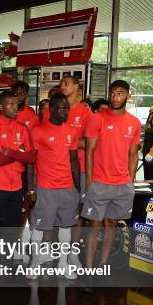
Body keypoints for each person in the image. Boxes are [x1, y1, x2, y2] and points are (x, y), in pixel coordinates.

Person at [82, 80, 141, 288]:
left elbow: (133, 155)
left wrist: (130, 181)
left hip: (122, 186)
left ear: (127, 96)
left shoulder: (134, 123)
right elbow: (88, 151)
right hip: (99, 183)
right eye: (113, 93)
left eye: (120, 93)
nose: (116, 97)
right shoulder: (97, 118)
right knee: (94, 227)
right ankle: (88, 273)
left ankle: (102, 268)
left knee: (110, 227)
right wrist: (89, 181)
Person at [26, 93, 81, 280]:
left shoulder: (71, 131)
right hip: (45, 189)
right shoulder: (38, 131)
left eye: (68, 108)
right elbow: (30, 162)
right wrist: (30, 189)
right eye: (62, 108)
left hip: (67, 189)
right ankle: (34, 263)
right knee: (39, 229)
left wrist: (78, 190)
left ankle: (63, 264)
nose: (66, 111)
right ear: (51, 110)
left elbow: (74, 160)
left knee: (66, 228)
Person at [0, 90, 35, 247]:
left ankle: (7, 263)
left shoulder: (22, 128)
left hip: (16, 189)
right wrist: (20, 153)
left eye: (16, 104)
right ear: (1, 107)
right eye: (11, 104)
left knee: (11, 229)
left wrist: (11, 152)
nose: (15, 107)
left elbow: (32, 157)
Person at [59, 75, 93, 268]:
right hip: (56, 169)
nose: (63, 85)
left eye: (67, 82)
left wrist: (67, 143)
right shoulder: (55, 109)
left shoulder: (85, 112)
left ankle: (72, 253)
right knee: (58, 212)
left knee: (77, 214)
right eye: (61, 82)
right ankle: (57, 252)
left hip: (78, 168)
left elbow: (90, 142)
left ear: (77, 87)